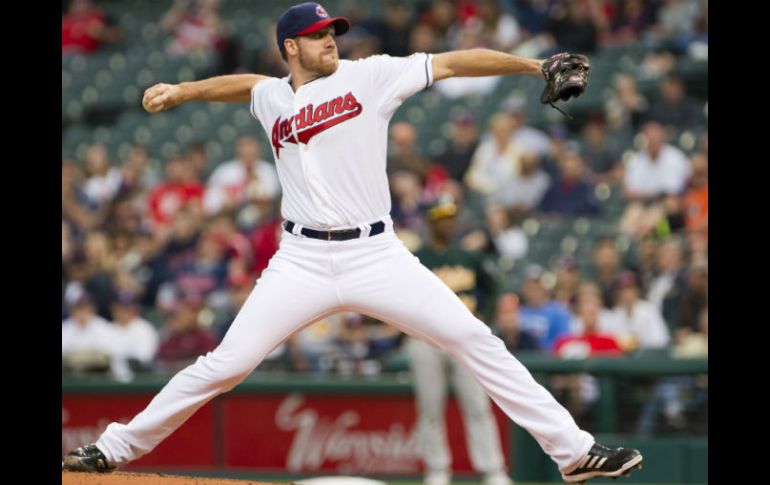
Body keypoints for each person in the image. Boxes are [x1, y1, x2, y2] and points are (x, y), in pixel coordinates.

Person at [62, 3, 642, 483]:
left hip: (376, 254)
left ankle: (573, 452)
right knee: (225, 365)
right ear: (290, 47)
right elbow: (245, 86)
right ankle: (113, 448)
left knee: (474, 337)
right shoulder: (272, 97)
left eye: (332, 31)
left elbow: (453, 63)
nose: (330, 40)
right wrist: (186, 90)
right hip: (301, 260)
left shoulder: (369, 76)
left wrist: (532, 64)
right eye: (317, 36)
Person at [406, 198, 511, 485]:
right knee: (429, 407)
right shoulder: (416, 258)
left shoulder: (469, 257)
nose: (447, 223)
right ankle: (437, 469)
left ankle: (492, 469)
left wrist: (483, 318)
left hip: (464, 339)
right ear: (430, 222)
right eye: (441, 217)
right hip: (427, 339)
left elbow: (493, 290)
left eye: (451, 217)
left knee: (477, 406)